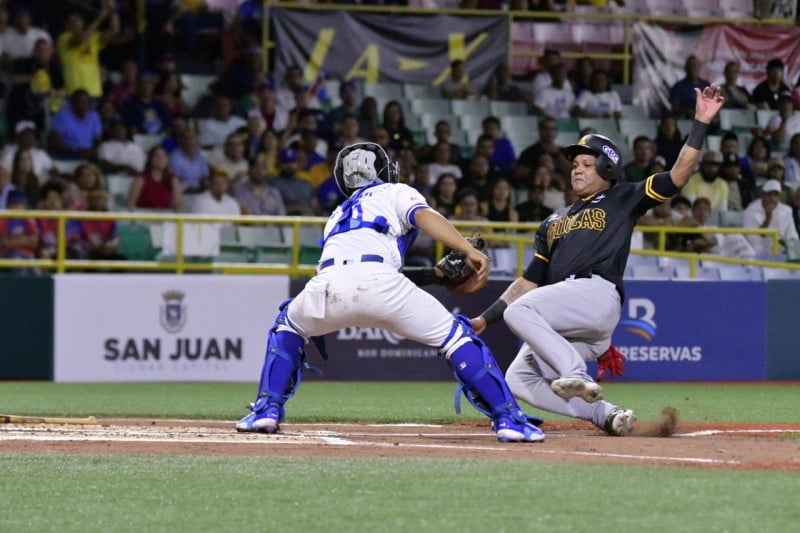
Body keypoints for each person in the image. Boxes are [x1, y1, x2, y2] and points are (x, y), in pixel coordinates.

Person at [235, 141, 545, 443]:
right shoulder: (396, 191)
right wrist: (465, 247)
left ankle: (267, 409)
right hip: (381, 284)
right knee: (456, 338)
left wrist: (435, 275)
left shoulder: (337, 215)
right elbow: (423, 218)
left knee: (287, 326)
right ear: (384, 171)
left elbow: (356, 269)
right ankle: (508, 419)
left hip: (327, 286)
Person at [469, 85, 725, 436]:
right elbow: (529, 281)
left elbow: (678, 175)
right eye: (575, 164)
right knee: (518, 378)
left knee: (521, 312)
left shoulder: (622, 198)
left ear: (606, 167)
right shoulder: (552, 222)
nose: (577, 170)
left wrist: (699, 123)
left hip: (596, 294)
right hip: (574, 323)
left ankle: (573, 371)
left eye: (587, 164)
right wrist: (486, 318)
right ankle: (606, 415)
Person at [743, 179, 799, 255]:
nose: (772, 198)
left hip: (783, 253)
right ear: (762, 195)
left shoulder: (787, 210)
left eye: (775, 195)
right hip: (757, 255)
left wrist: (791, 248)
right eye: (769, 194)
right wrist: (768, 217)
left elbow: (792, 236)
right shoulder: (750, 212)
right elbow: (754, 242)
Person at [127, 146, 183, 210]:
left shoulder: (173, 180)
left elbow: (178, 206)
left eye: (163, 155)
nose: (160, 158)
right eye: (157, 155)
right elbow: (130, 204)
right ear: (150, 159)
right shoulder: (140, 179)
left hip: (166, 217)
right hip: (143, 217)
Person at [669, 55, 710, 119]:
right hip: (686, 120)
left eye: (696, 66)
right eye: (691, 66)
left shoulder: (706, 85)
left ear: (700, 68)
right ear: (686, 68)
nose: (693, 68)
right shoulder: (678, 87)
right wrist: (688, 111)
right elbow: (674, 107)